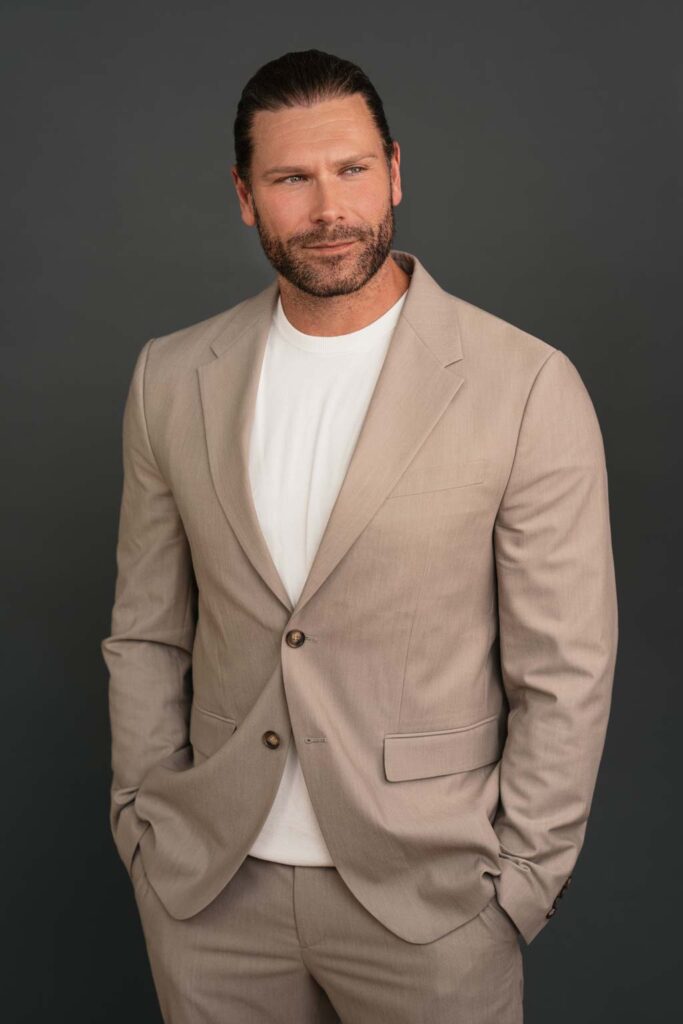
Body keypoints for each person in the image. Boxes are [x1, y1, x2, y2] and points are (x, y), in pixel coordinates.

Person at [102, 48, 618, 1024]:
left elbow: (564, 667)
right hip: (210, 891)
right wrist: (142, 822)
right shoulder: (170, 377)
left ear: (394, 171)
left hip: (432, 901)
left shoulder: (523, 385)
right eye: (291, 178)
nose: (328, 208)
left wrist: (521, 881)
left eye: (350, 169)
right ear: (244, 196)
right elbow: (146, 631)